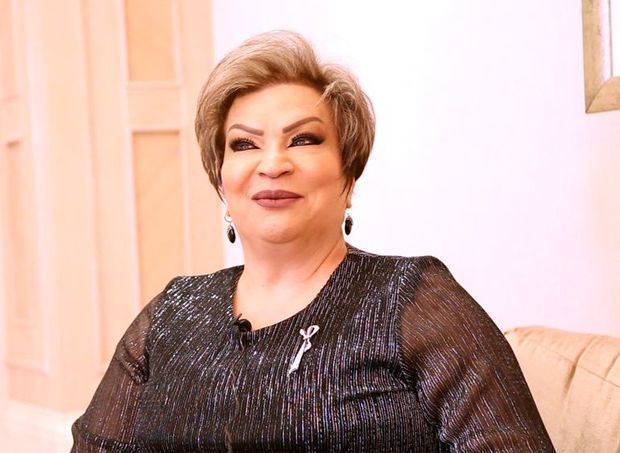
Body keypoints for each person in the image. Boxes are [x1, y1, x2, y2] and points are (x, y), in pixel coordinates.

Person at [71, 31, 554, 452]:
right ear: (221, 180)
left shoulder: (414, 301)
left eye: (303, 139)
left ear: (349, 173)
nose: (272, 164)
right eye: (244, 144)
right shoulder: (172, 313)